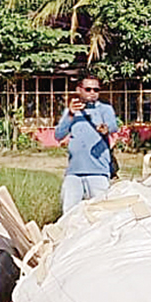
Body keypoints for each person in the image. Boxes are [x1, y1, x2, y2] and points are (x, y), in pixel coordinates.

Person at [55, 74, 119, 214]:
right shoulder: (71, 111)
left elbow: (113, 126)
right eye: (88, 89)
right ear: (79, 89)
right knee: (70, 213)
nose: (92, 93)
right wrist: (71, 115)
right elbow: (58, 135)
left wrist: (106, 128)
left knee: (102, 213)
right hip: (74, 172)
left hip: (98, 172)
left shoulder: (105, 109)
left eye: (96, 90)